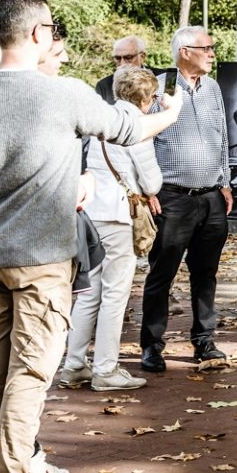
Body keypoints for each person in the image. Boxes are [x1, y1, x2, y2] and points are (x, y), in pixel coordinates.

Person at [0, 0, 185, 473]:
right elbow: (127, 129)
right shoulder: (65, 94)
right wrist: (168, 113)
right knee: (29, 378)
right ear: (38, 33)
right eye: (51, 29)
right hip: (42, 263)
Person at [59, 66, 165, 392]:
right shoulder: (136, 127)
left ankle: (74, 364)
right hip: (119, 216)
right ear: (146, 98)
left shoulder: (100, 121)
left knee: (89, 293)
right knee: (115, 295)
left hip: (92, 214)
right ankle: (106, 368)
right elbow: (152, 181)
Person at [139, 25, 232, 373]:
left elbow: (222, 136)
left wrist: (225, 181)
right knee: (161, 273)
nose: (211, 52)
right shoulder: (160, 86)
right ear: (184, 52)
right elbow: (142, 138)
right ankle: (152, 345)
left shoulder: (213, 88)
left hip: (211, 198)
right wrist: (149, 188)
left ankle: (205, 341)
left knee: (206, 273)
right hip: (171, 198)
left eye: (211, 47)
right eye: (205, 47)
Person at [94, 35, 150, 105]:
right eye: (117, 58)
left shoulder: (163, 77)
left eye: (128, 57)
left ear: (142, 56)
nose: (122, 63)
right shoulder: (103, 86)